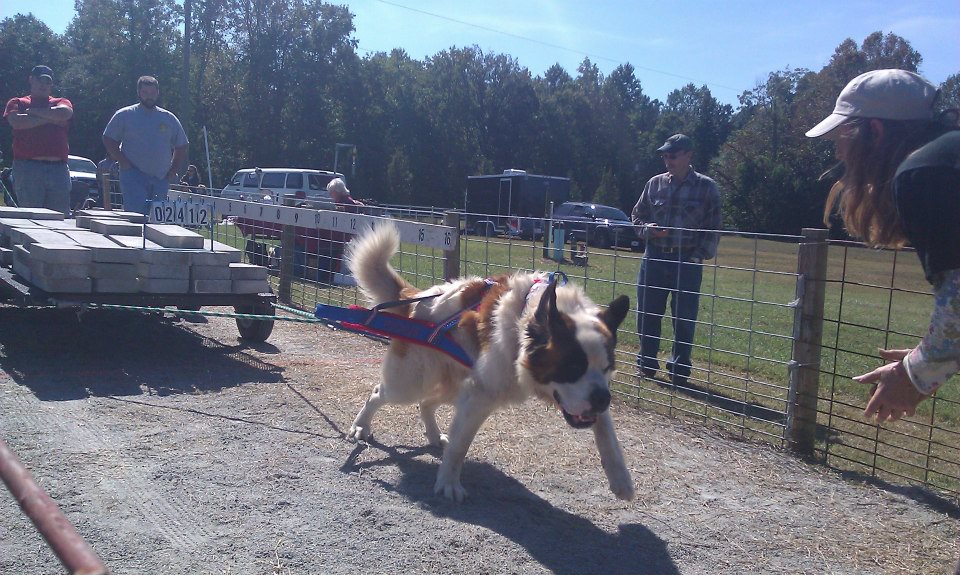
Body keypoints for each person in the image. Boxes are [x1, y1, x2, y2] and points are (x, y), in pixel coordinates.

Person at [807, 69, 959, 426]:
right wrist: (931, 357)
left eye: (842, 138)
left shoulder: (924, 172)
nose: (840, 153)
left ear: (874, 131)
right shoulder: (947, 157)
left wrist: (916, 372)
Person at [631, 134, 722, 387]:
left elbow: (713, 228)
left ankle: (680, 370)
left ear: (688, 155)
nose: (667, 159)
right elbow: (637, 216)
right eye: (664, 155)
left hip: (687, 260)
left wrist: (696, 257)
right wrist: (648, 229)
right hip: (655, 258)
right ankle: (646, 363)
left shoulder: (707, 187)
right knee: (647, 313)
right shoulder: (654, 184)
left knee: (684, 317)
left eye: (672, 155)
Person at [102, 75, 188, 214]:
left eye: (153, 93)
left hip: (160, 178)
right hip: (133, 175)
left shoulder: (168, 118)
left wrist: (173, 169)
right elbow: (108, 138)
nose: (149, 96)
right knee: (136, 219)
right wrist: (122, 161)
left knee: (156, 223)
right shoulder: (125, 115)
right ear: (139, 92)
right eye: (145, 92)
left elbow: (182, 145)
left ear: (158, 93)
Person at [3, 65, 73, 214]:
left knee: (61, 218)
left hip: (58, 169)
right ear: (31, 80)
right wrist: (51, 118)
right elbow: (17, 122)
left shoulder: (60, 101)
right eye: (40, 80)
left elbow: (65, 113)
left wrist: (33, 113)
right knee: (31, 217)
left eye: (48, 82)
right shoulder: (18, 102)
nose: (44, 85)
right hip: (27, 168)